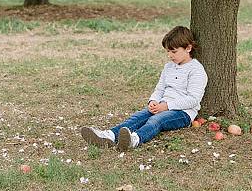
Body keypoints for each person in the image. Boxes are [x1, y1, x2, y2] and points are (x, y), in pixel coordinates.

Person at [80, 25, 208, 151]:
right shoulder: (168, 67)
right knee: (137, 117)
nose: (170, 55)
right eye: (168, 51)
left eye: (173, 51)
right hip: (161, 106)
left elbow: (193, 99)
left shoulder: (196, 70)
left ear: (188, 48)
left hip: (183, 113)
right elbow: (160, 89)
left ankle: (134, 140)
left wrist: (166, 106)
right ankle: (110, 136)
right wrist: (153, 101)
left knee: (156, 120)